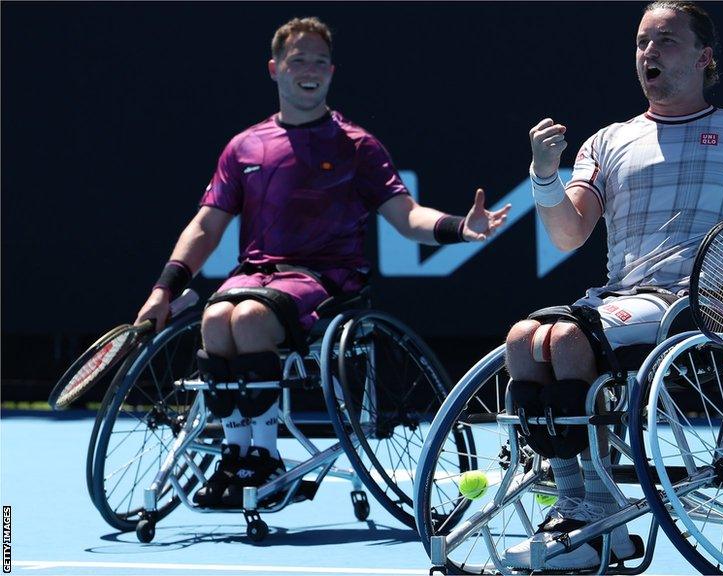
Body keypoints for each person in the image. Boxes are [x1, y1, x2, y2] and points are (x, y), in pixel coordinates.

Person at [502, 1, 723, 569]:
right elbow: (568, 234)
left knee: (563, 341)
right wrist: (544, 176)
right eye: (641, 43)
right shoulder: (607, 141)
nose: (648, 54)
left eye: (665, 41)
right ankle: (581, 509)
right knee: (520, 339)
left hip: (703, 309)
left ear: (704, 57)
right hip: (621, 303)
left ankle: (584, 522)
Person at [133, 17, 510, 509]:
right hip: (256, 275)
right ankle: (236, 452)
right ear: (275, 69)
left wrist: (461, 227)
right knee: (215, 317)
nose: (308, 70)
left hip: (328, 282)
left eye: (318, 62)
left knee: (246, 318)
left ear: (331, 73)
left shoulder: (357, 146)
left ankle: (264, 459)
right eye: (297, 60)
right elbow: (206, 226)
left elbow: (408, 216)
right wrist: (164, 288)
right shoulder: (244, 147)